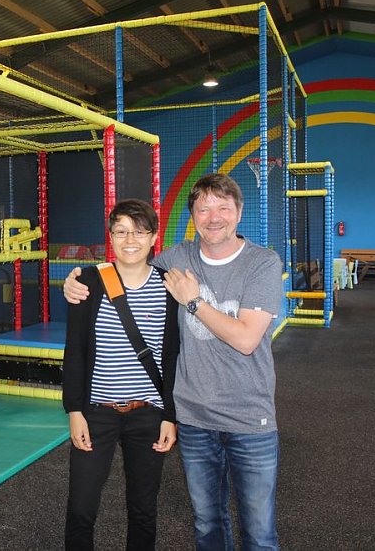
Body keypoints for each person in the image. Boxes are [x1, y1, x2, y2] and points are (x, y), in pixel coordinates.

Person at [64, 174, 283, 550]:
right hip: (184, 415)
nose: (214, 217)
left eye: (223, 208)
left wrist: (194, 302)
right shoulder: (165, 264)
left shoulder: (255, 264)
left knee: (257, 529)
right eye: (204, 208)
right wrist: (74, 280)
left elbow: (235, 342)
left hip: (238, 415)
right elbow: (82, 340)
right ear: (193, 216)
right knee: (206, 521)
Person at [63, 198, 180, 551]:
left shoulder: (168, 286)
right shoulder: (87, 280)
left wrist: (169, 416)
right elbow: (75, 352)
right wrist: (74, 411)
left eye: (140, 232)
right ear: (111, 237)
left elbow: (172, 356)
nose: (131, 240)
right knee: (81, 507)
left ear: (154, 238)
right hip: (97, 412)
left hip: (148, 413)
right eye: (122, 231)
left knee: (143, 508)